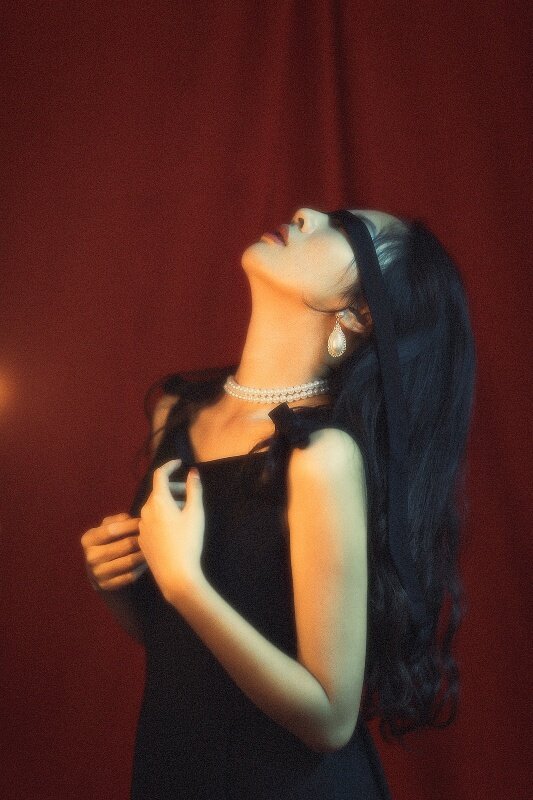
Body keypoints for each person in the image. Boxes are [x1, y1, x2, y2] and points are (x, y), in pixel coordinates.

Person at [81, 207, 476, 799]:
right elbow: (187, 652)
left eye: (348, 231)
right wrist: (118, 584)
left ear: (359, 314)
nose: (307, 213)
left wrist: (185, 583)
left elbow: (331, 719)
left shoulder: (322, 456)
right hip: (172, 772)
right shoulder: (176, 413)